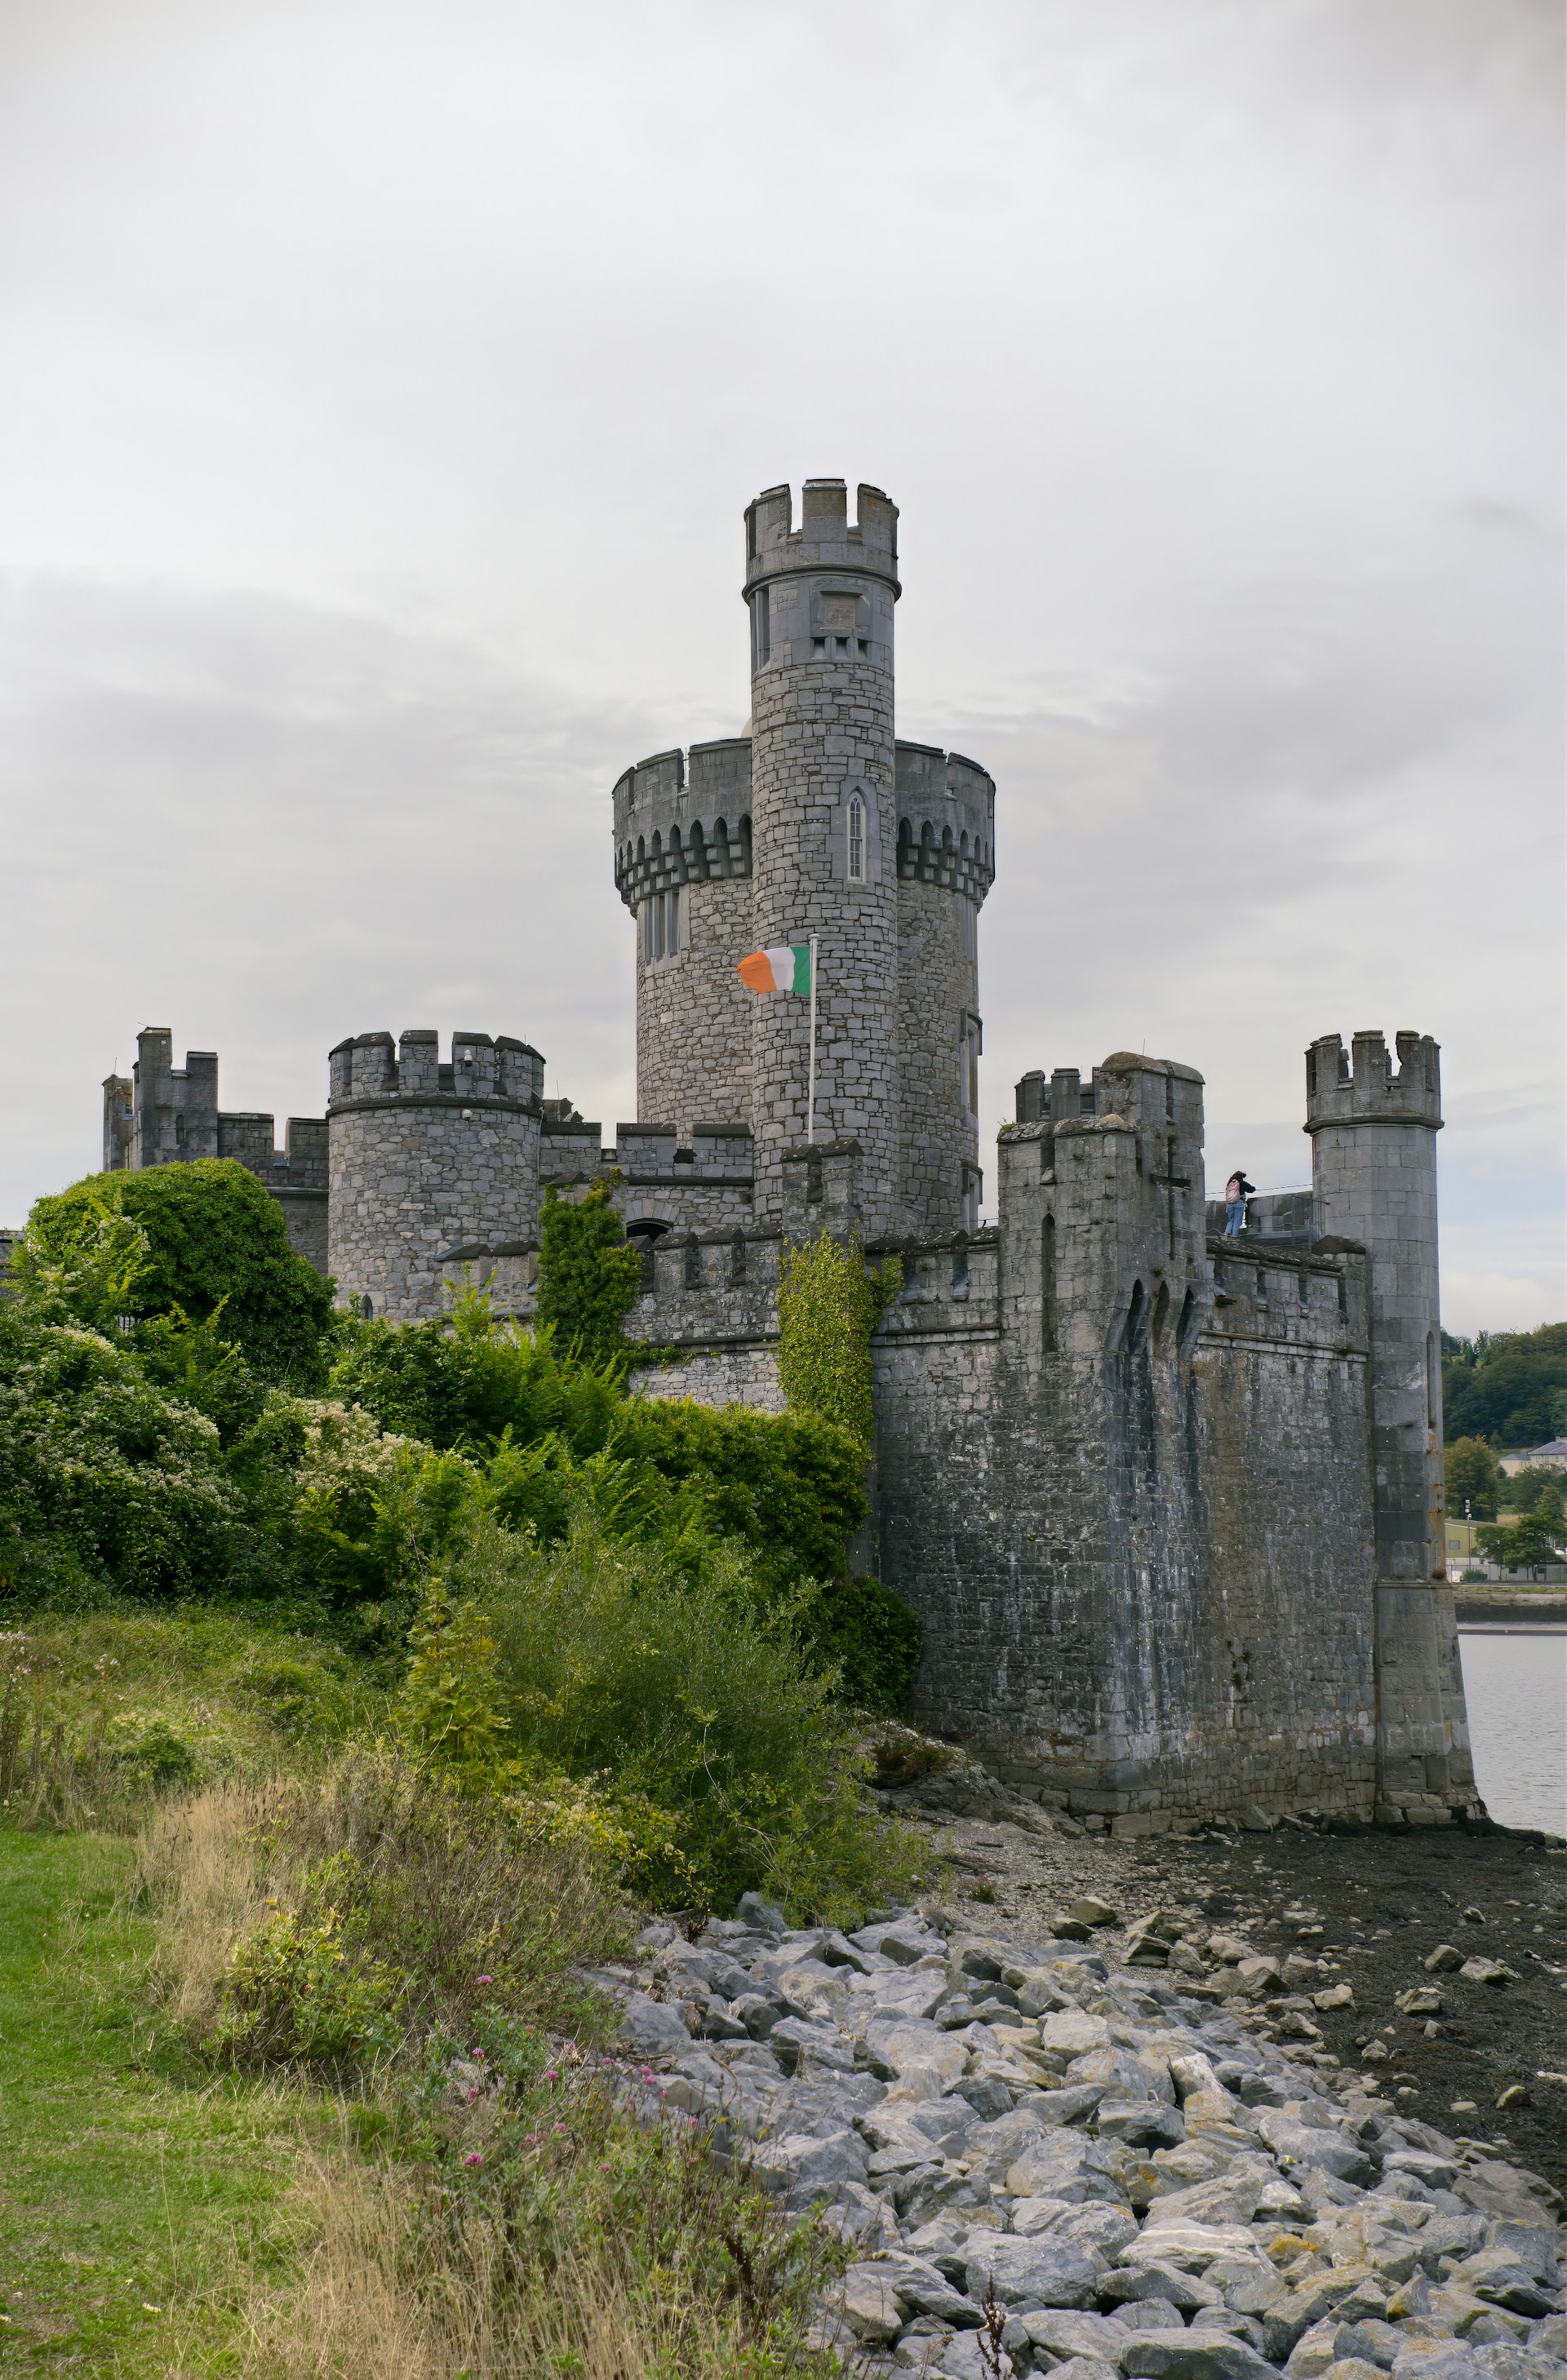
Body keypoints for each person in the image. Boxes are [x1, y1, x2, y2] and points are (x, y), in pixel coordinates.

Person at [1223, 1168, 1255, 1237]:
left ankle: (1227, 1233)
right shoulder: (1241, 1183)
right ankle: (1234, 1237)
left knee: (1230, 1220)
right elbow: (1251, 1189)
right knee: (1237, 1221)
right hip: (1238, 1203)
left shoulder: (1230, 1183)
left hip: (1229, 1204)